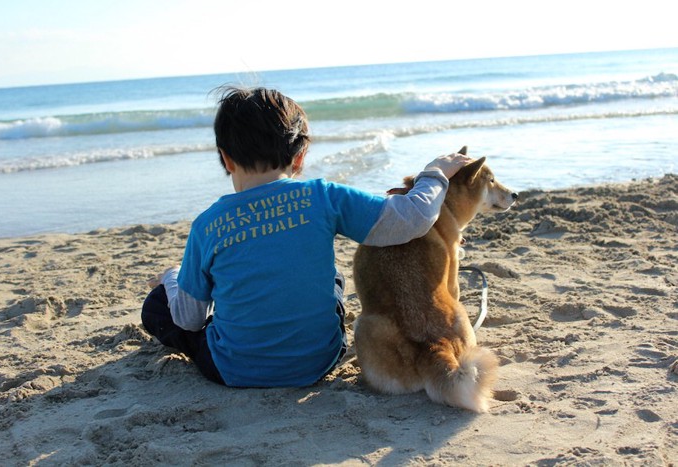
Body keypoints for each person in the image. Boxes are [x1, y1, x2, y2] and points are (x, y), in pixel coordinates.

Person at [142, 86, 472, 388]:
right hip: (319, 361)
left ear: (226, 159)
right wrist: (436, 173)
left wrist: (171, 279)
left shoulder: (208, 224)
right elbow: (411, 219)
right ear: (300, 158)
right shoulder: (324, 197)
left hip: (234, 370)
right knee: (333, 276)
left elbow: (188, 319)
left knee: (159, 305)